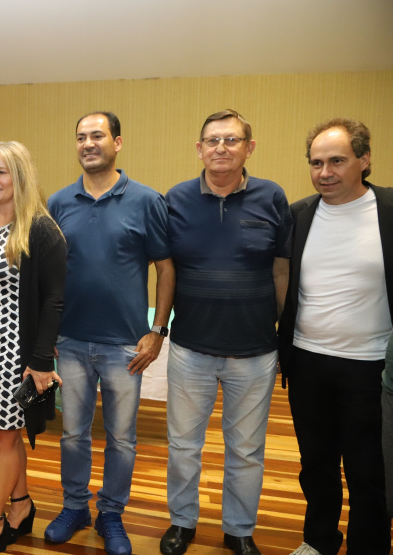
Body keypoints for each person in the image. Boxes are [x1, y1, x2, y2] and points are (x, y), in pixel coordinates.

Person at [162, 110, 291, 555]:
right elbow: (166, 269)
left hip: (255, 352)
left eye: (231, 140)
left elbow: (280, 270)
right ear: (199, 149)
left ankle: (239, 528)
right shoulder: (175, 199)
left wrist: (271, 323)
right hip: (190, 349)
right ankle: (182, 521)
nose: (221, 148)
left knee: (247, 450)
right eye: (212, 141)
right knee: (183, 445)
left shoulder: (272, 196)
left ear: (248, 148)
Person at [46, 112, 174, 555]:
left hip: (125, 345)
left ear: (117, 142)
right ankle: (75, 506)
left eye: (97, 135)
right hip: (72, 342)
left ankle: (112, 514)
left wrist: (158, 331)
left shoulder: (146, 200)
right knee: (73, 434)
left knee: (122, 438)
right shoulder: (59, 203)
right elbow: (47, 273)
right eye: (80, 136)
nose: (88, 143)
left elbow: (165, 267)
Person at [278, 118, 392, 555]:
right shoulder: (299, 214)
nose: (325, 172)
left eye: (337, 161)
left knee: (369, 471)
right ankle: (319, 541)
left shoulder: (389, 210)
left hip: (370, 368)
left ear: (364, 160)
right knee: (317, 466)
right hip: (307, 364)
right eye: (316, 162)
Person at [0, 141, 66, 555]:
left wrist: (40, 361)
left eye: (1, 172)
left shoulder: (40, 229)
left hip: (16, 355)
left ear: (20, 176)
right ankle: (21, 506)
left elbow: (54, 299)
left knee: (4, 439)